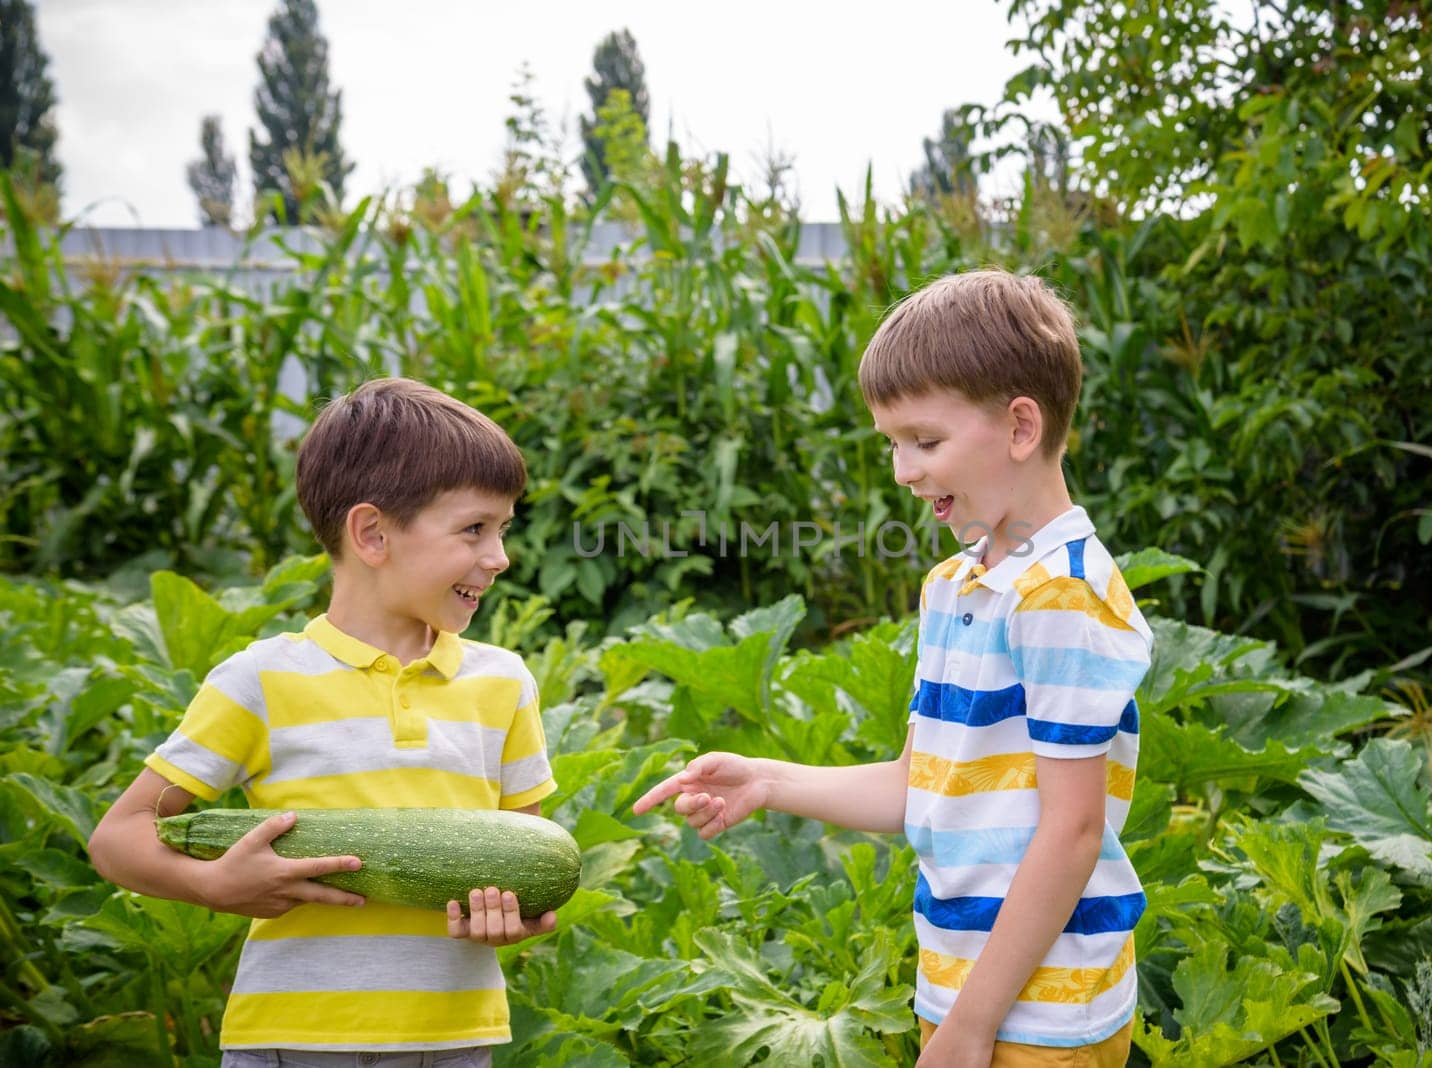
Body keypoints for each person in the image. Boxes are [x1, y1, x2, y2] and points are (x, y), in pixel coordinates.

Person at [634, 270, 1152, 1067]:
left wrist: (973, 1027)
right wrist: (769, 781)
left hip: (1043, 1014)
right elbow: (922, 785)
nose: (904, 471)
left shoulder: (1060, 596)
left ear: (1020, 427)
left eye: (925, 442)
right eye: (892, 446)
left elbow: (1073, 831)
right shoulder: (955, 587)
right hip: (960, 995)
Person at [88, 377, 558, 1065]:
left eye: (503, 530)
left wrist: (521, 916)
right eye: (474, 529)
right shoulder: (259, 681)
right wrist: (213, 886)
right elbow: (116, 839)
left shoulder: (503, 683)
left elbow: (533, 855)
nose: (500, 556)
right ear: (371, 533)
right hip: (290, 1044)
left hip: (453, 1044)